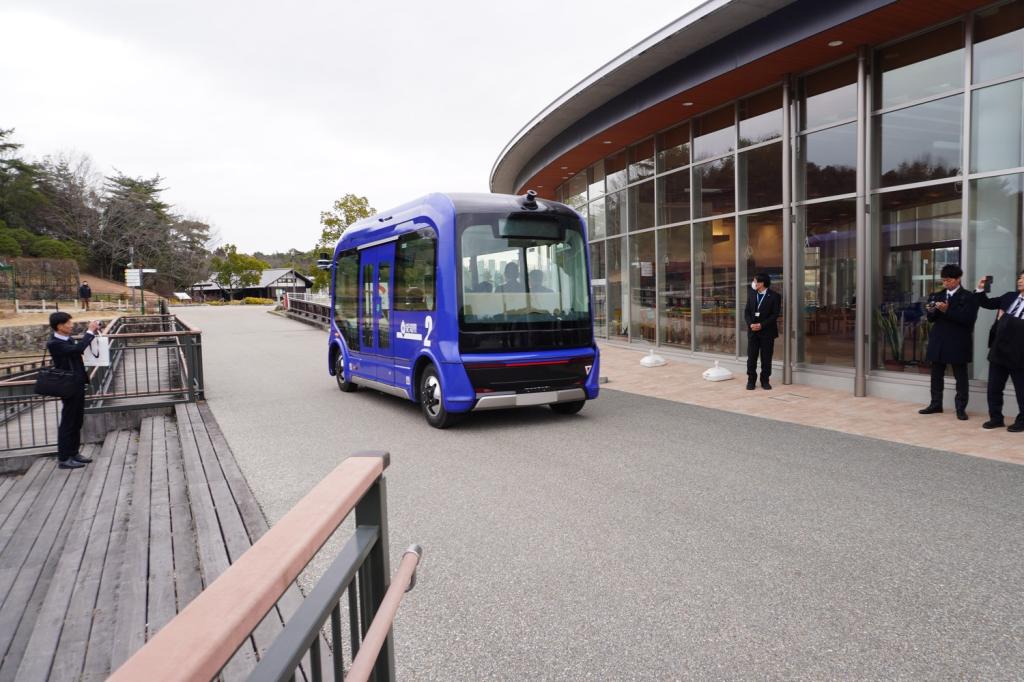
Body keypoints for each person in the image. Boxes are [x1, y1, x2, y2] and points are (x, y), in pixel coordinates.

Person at [919, 264, 978, 420]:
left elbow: (968, 320)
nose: (945, 283)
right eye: (943, 280)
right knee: (936, 374)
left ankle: (960, 408)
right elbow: (931, 319)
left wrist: (947, 311)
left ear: (958, 279)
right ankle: (935, 404)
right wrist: (931, 311)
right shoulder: (936, 295)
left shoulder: (968, 297)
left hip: (958, 340)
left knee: (961, 376)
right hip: (938, 339)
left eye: (948, 280)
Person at [47, 312, 99, 469]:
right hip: (67, 386)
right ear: (60, 326)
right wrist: (89, 332)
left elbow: (77, 350)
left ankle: (74, 453)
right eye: (69, 323)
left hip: (77, 383)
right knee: (68, 422)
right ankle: (64, 458)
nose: (72, 325)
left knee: (77, 420)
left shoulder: (66, 339)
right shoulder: (54, 343)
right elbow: (77, 350)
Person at [974, 271, 1024, 432]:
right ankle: (996, 418)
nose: (1020, 280)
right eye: (1020, 277)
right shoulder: (1010, 296)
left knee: (1021, 390)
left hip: (1020, 353)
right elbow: (986, 303)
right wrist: (981, 289)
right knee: (994, 387)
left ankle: (1022, 420)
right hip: (999, 349)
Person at [744, 272, 781, 390]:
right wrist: (751, 324)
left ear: (762, 283)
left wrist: (761, 325)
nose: (753, 283)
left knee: (766, 358)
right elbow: (747, 312)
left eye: (755, 281)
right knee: (751, 357)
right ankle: (751, 380)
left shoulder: (774, 296)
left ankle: (765, 380)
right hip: (753, 332)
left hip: (767, 332)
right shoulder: (751, 294)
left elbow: (775, 315)